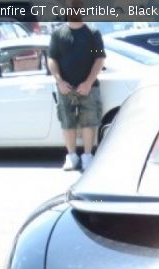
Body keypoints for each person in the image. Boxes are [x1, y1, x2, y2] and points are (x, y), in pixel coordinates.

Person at [47, 1, 106, 171]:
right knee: (67, 122)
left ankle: (87, 156)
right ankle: (71, 156)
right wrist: (59, 81)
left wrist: (88, 82)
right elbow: (52, 59)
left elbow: (99, 59)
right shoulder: (58, 34)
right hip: (65, 88)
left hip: (89, 87)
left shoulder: (92, 34)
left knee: (89, 122)